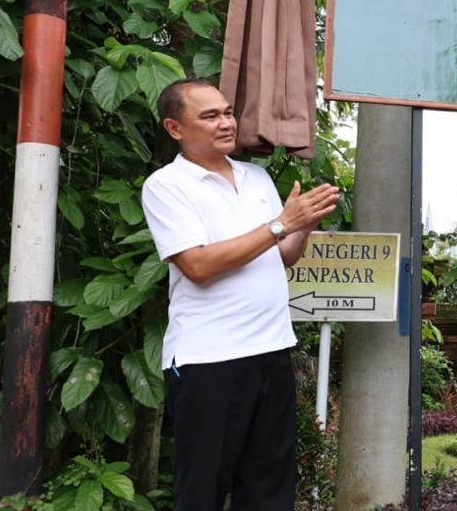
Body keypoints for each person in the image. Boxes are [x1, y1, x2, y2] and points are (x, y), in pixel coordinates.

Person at [142, 78, 340, 510]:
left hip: (271, 351)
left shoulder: (257, 177)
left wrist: (304, 222)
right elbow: (197, 266)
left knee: (269, 489)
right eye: (210, 116)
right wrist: (281, 225)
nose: (226, 123)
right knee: (202, 492)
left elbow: (281, 257)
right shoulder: (166, 185)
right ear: (175, 129)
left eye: (228, 112)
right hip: (208, 361)